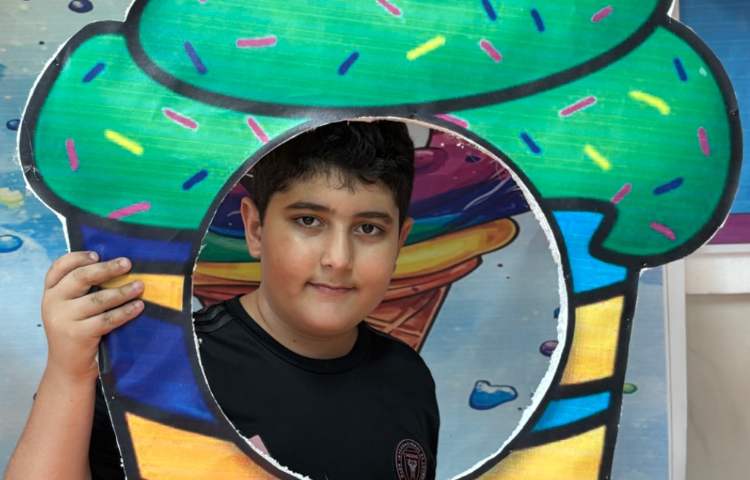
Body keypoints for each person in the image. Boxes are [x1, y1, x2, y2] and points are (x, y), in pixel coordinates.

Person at [5, 121, 440, 480]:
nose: (338, 259)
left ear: (399, 241)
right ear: (255, 229)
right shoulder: (157, 366)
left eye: (368, 229)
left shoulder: (409, 378)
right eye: (309, 220)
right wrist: (68, 372)